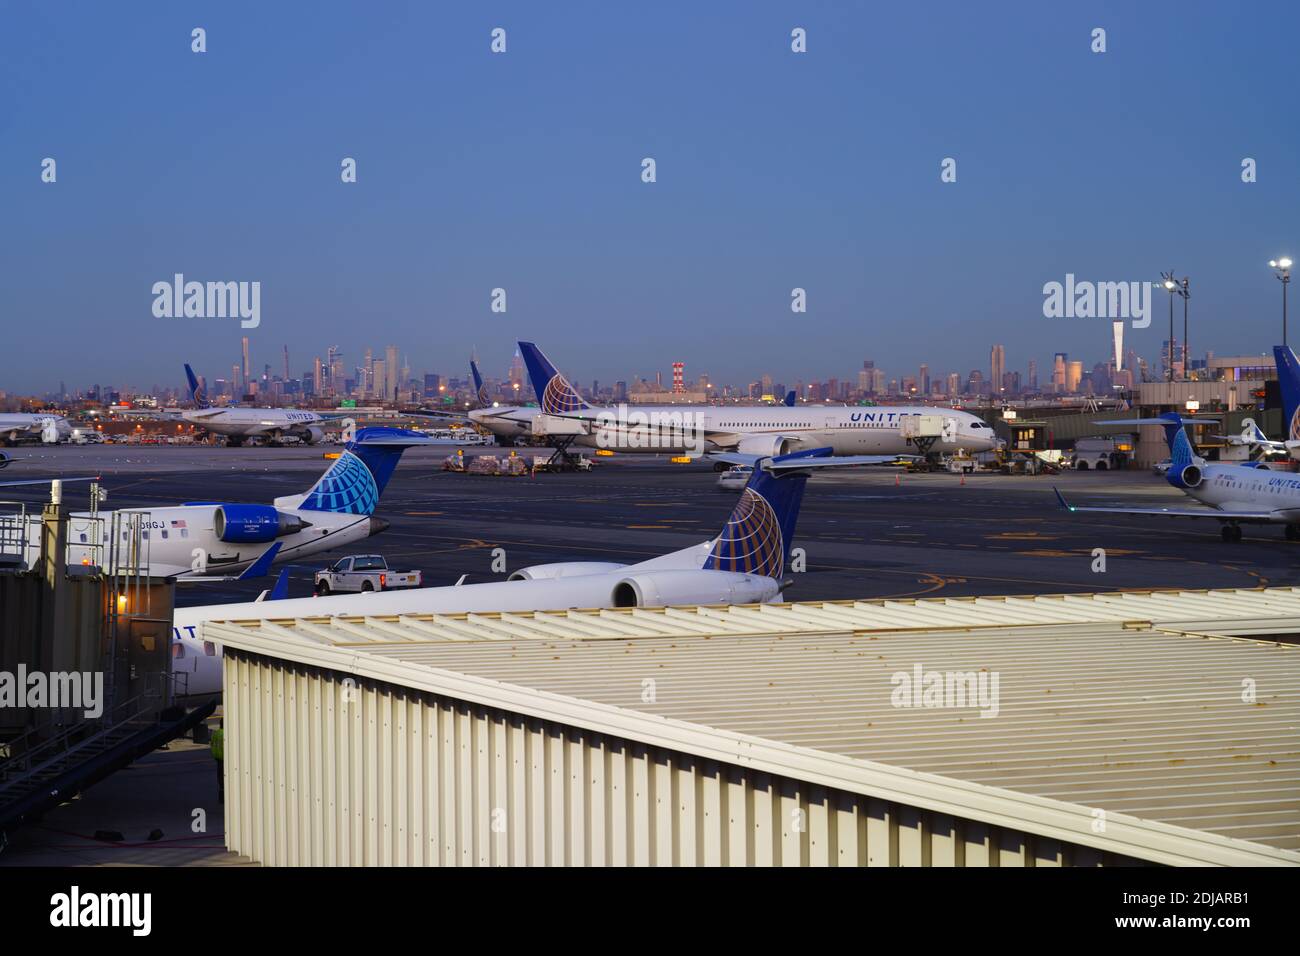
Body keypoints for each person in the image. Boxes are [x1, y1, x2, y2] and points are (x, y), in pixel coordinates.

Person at [210, 721, 224, 803]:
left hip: (217, 758)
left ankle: (221, 797)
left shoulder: (216, 733)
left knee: (220, 777)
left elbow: (212, 744)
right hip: (225, 758)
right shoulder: (226, 734)